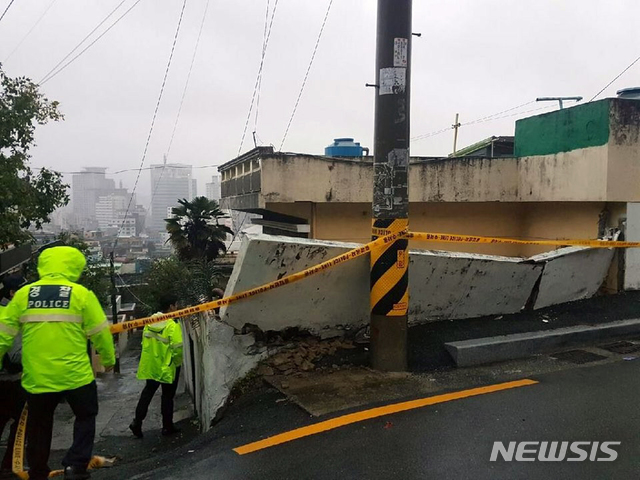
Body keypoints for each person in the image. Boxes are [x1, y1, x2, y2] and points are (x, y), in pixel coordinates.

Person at [0, 247, 116, 480]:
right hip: (76, 376)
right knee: (85, 417)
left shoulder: (23, 295)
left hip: (38, 377)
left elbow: (3, 334)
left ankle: (38, 471)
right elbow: (100, 331)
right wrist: (108, 359)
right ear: (74, 266)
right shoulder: (80, 294)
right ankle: (75, 465)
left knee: (39, 425)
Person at [129, 296, 183, 438]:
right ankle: (167, 426)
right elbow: (178, 348)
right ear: (171, 307)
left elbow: (144, 343)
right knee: (167, 397)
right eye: (176, 305)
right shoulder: (172, 325)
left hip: (152, 366)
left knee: (147, 394)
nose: (177, 308)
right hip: (167, 366)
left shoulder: (149, 322)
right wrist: (177, 363)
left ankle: (137, 423)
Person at [0, 274, 27, 479]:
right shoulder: (11, 315)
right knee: (19, 427)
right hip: (11, 382)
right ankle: (9, 465)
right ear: (11, 293)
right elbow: (16, 356)